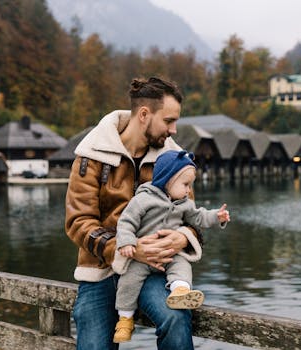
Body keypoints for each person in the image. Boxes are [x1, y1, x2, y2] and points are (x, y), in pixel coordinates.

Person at [65, 76, 201, 350]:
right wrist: (126, 248)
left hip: (154, 271)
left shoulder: (175, 159)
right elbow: (78, 222)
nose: (174, 130)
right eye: (168, 120)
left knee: (175, 318)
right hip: (100, 271)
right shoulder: (91, 155)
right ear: (144, 115)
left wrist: (184, 237)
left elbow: (191, 216)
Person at [112, 149, 230, 343]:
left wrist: (216, 216)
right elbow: (126, 222)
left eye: (190, 185)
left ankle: (180, 290)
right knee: (128, 281)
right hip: (141, 257)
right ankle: (125, 318)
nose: (188, 190)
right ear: (168, 180)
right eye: (185, 184)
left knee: (182, 265)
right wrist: (126, 242)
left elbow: (198, 217)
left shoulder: (183, 203)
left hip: (169, 255)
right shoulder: (143, 199)